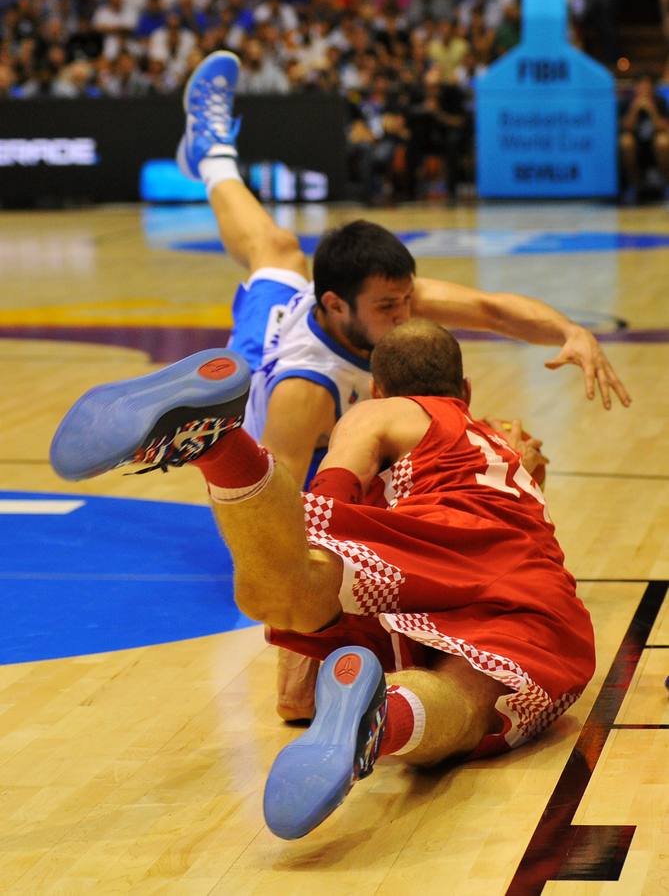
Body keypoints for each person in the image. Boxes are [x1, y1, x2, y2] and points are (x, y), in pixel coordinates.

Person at [177, 50, 628, 723]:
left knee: (275, 245)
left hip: (306, 323)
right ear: (336, 307)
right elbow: (279, 506)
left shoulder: (385, 304)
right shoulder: (311, 389)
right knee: (324, 542)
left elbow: (493, 309)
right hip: (269, 398)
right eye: (388, 309)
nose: (404, 315)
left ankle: (209, 152)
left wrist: (570, 332)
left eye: (405, 299)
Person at [49, 320, 596, 840]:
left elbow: (326, 506)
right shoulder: (499, 440)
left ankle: (219, 445)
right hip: (519, 579)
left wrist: (302, 610)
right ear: (467, 389)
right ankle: (382, 725)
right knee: (470, 700)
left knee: (277, 589)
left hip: (423, 555)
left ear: (375, 388)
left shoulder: (375, 414)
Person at [619, 71, 669, 205]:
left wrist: (651, 110)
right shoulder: (626, 102)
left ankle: (666, 186)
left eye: (647, 86)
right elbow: (625, 127)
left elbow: (664, 127)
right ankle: (635, 186)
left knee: (664, 141)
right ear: (635, 87)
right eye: (641, 86)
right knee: (626, 142)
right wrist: (635, 109)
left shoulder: (660, 102)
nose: (644, 89)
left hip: (654, 147)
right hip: (636, 148)